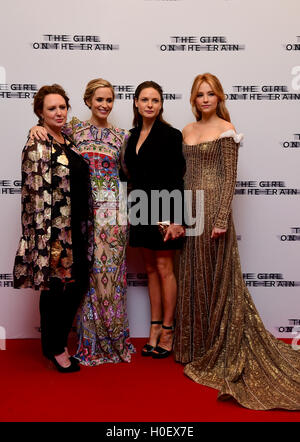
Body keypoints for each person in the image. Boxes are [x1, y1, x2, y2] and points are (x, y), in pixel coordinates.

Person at [174, 73, 300, 410]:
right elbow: (182, 174)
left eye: (210, 94)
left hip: (213, 210)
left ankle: (217, 345)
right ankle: (194, 346)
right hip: (189, 210)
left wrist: (219, 218)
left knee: (216, 277)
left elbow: (230, 178)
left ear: (219, 98)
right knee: (192, 274)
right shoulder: (185, 130)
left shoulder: (227, 130)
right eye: (199, 94)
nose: (205, 99)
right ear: (193, 98)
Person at [29, 78, 135, 366]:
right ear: (88, 101)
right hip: (79, 217)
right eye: (99, 99)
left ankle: (112, 339)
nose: (104, 104)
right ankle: (82, 341)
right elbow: (47, 132)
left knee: (110, 280)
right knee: (82, 281)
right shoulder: (73, 128)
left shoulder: (122, 136)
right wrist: (35, 127)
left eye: (109, 100)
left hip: (112, 217)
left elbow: (127, 175)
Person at [13, 84, 92, 373]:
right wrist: (44, 240)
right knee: (58, 289)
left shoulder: (66, 139)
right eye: (51, 108)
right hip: (56, 233)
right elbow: (34, 194)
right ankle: (55, 349)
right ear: (40, 113)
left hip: (76, 227)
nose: (59, 112)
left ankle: (54, 343)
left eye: (62, 107)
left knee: (75, 284)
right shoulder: (38, 143)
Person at [124, 81, 185, 358]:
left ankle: (168, 331)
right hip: (139, 207)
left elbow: (176, 178)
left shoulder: (170, 135)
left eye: (155, 100)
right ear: (136, 102)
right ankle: (154, 329)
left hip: (163, 208)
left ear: (161, 105)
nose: (150, 104)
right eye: (145, 99)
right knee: (150, 270)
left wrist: (177, 219)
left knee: (164, 269)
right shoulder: (132, 134)